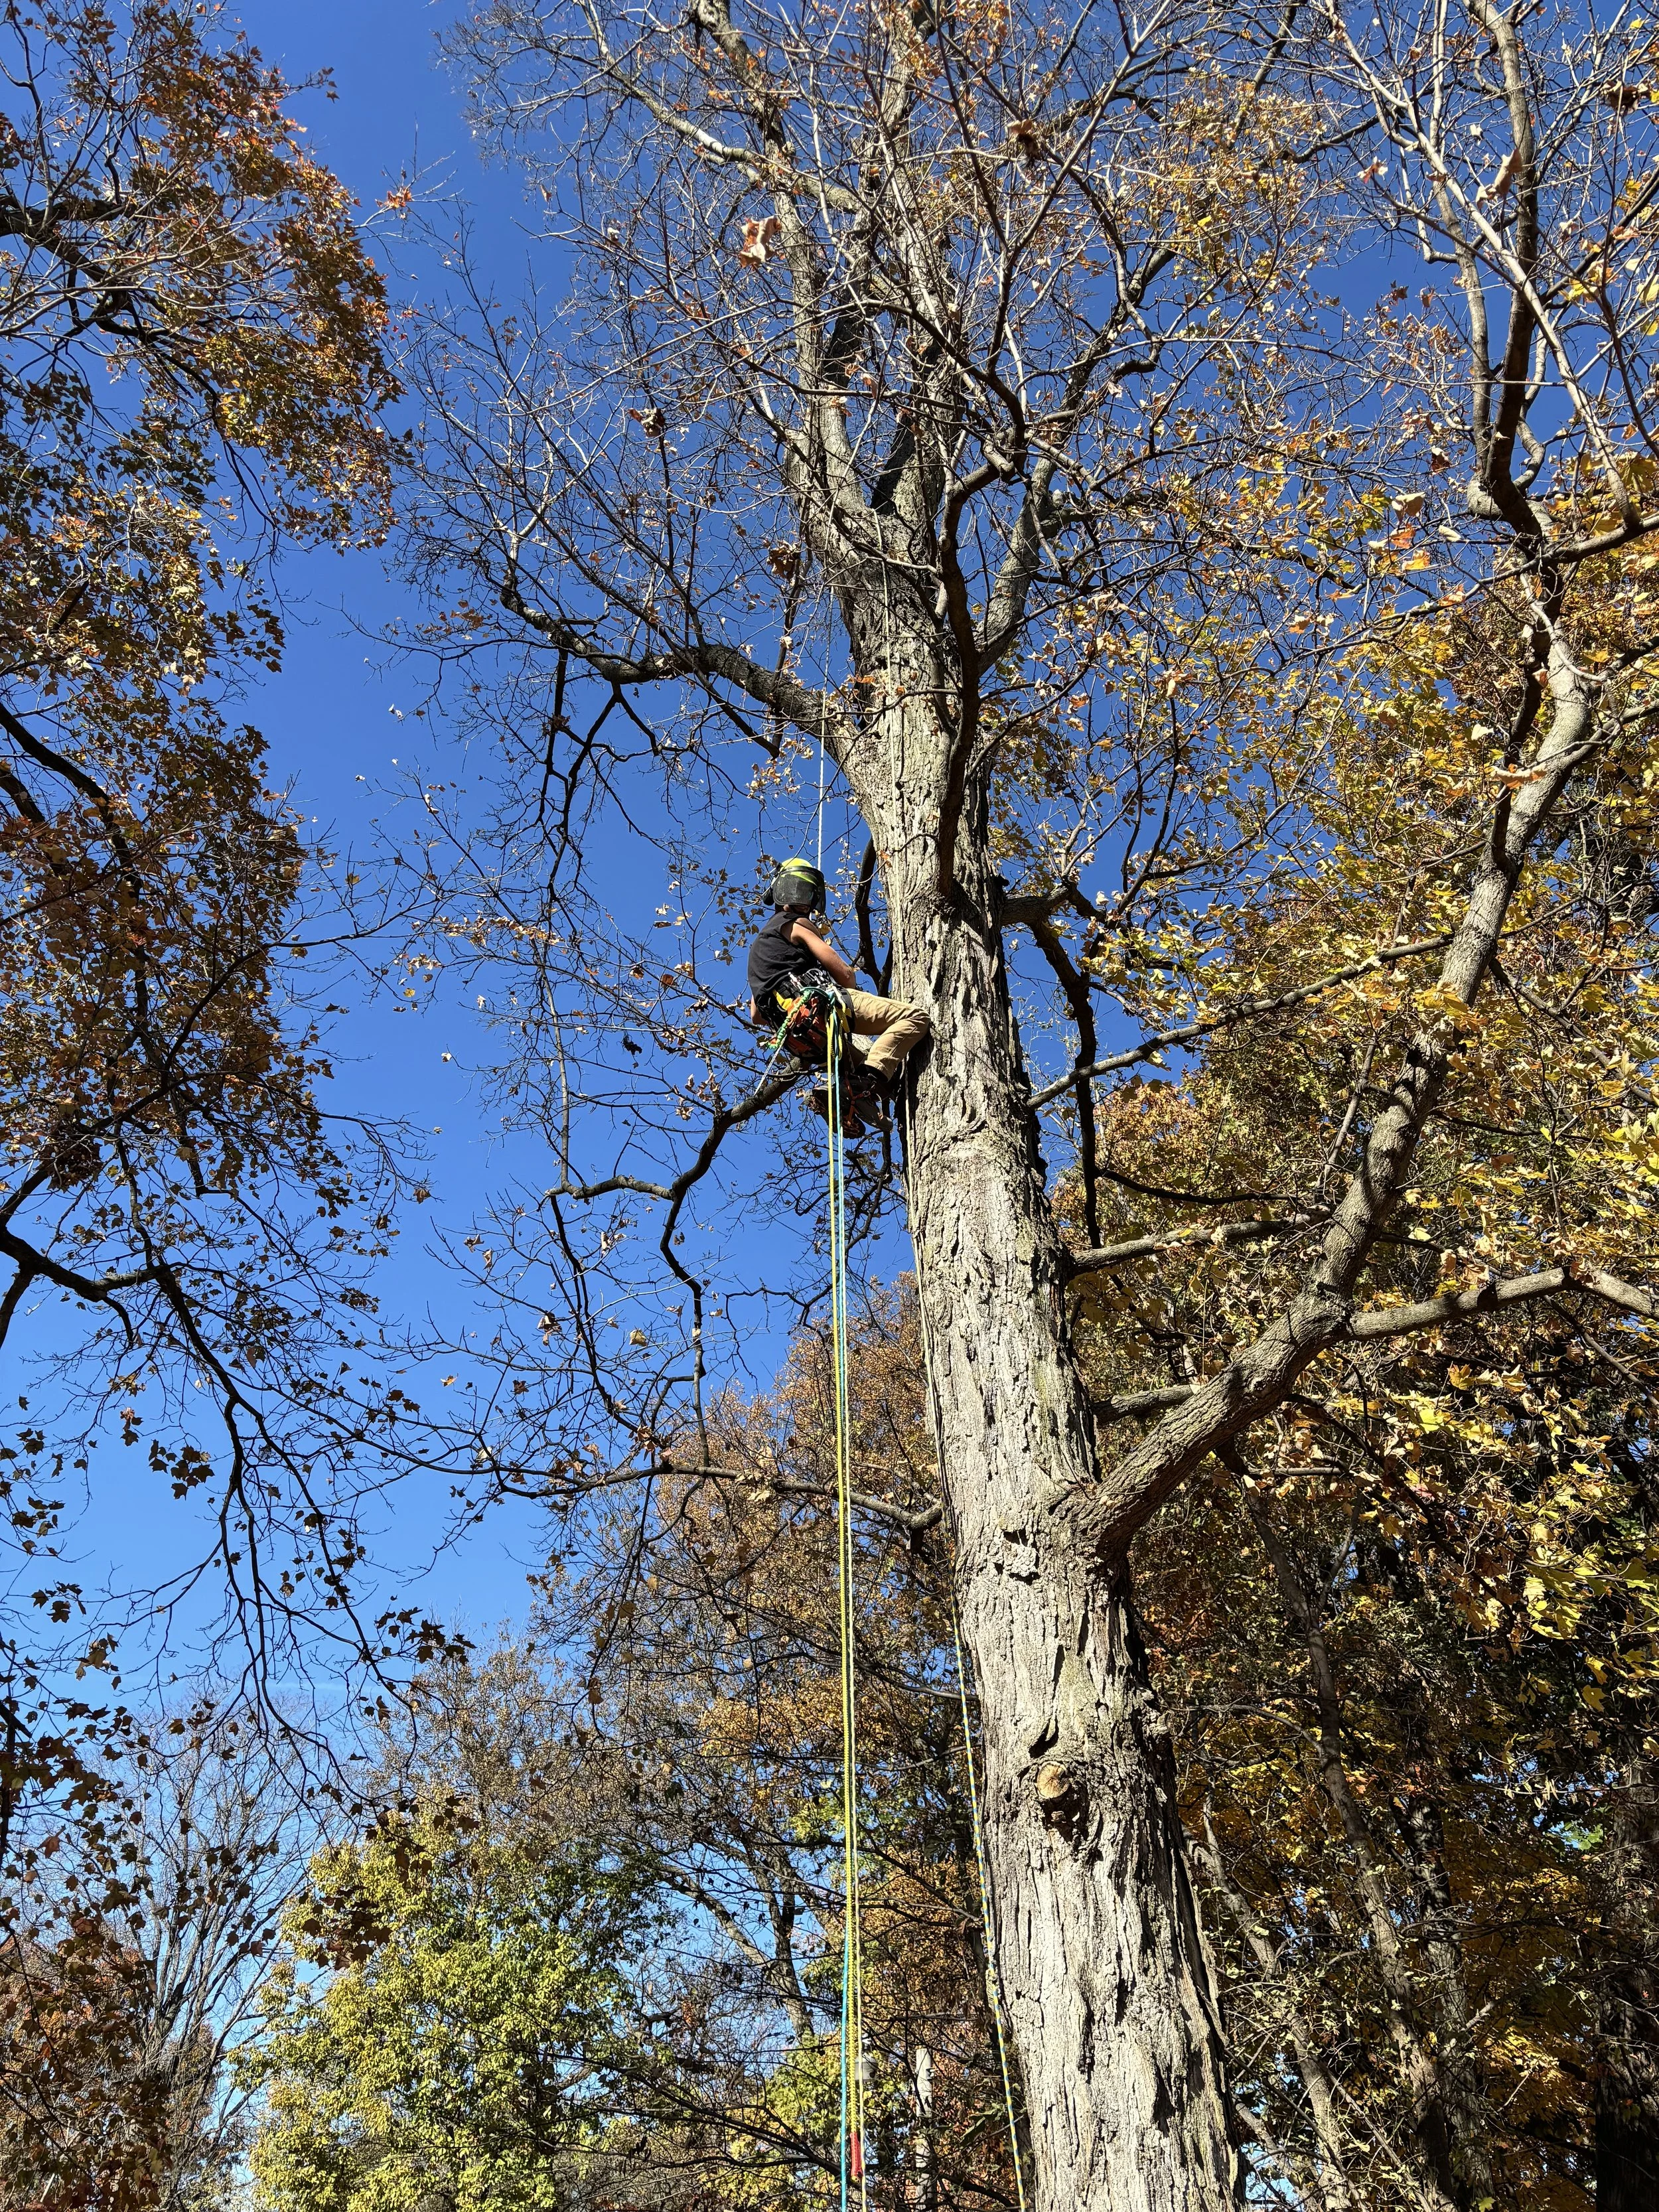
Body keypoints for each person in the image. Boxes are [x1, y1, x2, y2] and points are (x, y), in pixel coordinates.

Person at [747, 858, 930, 1121]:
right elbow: (845, 975)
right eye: (801, 892)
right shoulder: (795, 924)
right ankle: (860, 1087)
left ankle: (848, 1098)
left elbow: (756, 1015)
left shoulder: (758, 951)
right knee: (916, 1018)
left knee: (881, 1075)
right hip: (824, 1007)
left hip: (801, 1040)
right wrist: (848, 992)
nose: (805, 902)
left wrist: (793, 1012)